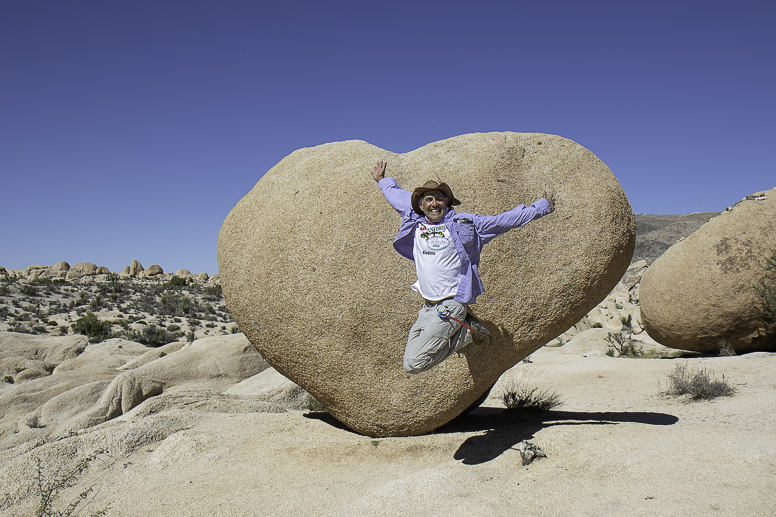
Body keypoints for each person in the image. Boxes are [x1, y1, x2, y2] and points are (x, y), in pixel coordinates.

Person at [371, 160, 555, 374]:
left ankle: (468, 333)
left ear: (447, 203)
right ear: (420, 205)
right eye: (428, 199)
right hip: (428, 308)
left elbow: (503, 221)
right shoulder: (415, 219)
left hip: (451, 306)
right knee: (409, 355)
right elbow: (396, 196)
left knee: (413, 364)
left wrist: (541, 208)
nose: (434, 203)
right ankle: (466, 328)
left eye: (439, 199)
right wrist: (382, 181)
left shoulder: (466, 223)